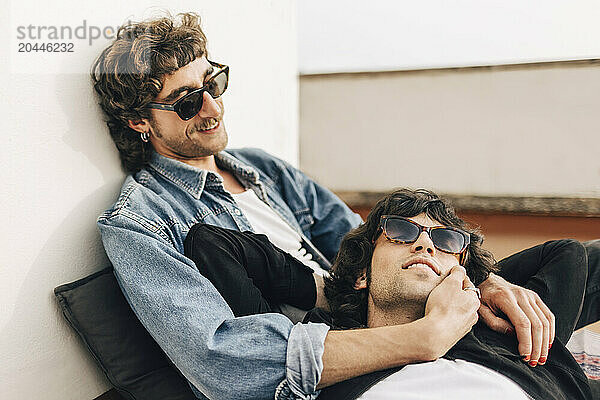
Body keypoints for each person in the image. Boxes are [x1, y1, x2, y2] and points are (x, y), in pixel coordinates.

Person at [92, 12, 598, 400]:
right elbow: (224, 362)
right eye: (186, 102)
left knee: (581, 259)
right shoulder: (140, 224)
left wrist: (474, 279)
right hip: (349, 346)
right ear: (140, 122)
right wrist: (423, 339)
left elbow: (365, 239)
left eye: (215, 84)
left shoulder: (259, 168)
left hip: (382, 296)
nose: (213, 108)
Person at [184, 189, 592, 399]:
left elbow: (568, 253)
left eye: (446, 240)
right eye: (401, 232)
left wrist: (483, 282)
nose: (425, 246)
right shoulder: (335, 349)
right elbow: (212, 244)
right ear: (363, 272)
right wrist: (332, 290)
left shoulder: (504, 330)